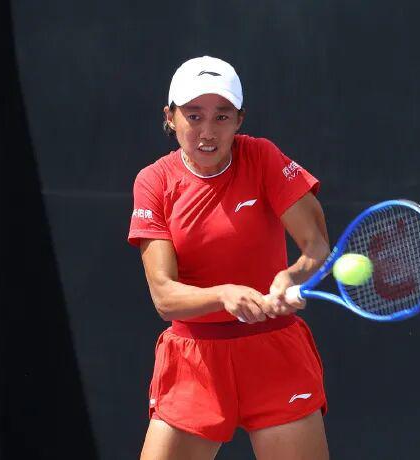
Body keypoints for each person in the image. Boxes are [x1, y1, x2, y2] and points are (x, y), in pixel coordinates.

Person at [128, 56, 330, 459]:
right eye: (194, 116)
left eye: (222, 116)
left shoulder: (263, 157)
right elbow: (164, 296)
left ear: (240, 120)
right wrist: (225, 295)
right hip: (194, 362)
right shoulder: (154, 181)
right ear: (170, 117)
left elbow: (317, 247)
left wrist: (291, 277)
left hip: (274, 355)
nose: (207, 131)